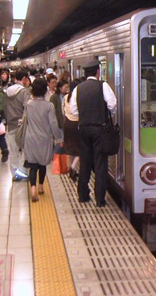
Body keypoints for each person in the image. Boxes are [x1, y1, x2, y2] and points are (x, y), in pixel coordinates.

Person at [70, 62, 117, 207]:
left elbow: (74, 111)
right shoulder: (103, 86)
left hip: (83, 128)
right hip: (100, 129)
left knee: (85, 162)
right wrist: (108, 114)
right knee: (100, 163)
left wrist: (85, 116)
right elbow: (112, 105)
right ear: (98, 72)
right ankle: (100, 199)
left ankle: (83, 195)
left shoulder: (78, 88)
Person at [24, 78, 64, 202]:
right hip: (45, 139)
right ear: (45, 90)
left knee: (32, 165)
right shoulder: (49, 106)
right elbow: (53, 123)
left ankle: (33, 188)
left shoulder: (29, 104)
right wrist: (59, 138)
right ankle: (41, 186)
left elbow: (25, 121)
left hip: (30, 138)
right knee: (42, 164)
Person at [5, 70, 31, 180]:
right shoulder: (24, 92)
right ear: (24, 78)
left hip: (10, 124)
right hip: (22, 125)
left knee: (13, 151)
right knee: (26, 149)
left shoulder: (7, 91)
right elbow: (27, 108)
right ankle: (22, 171)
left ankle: (14, 173)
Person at [63, 79, 81, 182]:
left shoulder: (66, 97)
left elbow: (63, 111)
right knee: (81, 148)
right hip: (77, 124)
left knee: (70, 148)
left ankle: (70, 167)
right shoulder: (78, 97)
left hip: (67, 124)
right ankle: (73, 168)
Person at [49, 80, 68, 153]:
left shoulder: (67, 96)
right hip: (59, 123)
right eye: (65, 87)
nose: (66, 89)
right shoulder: (54, 97)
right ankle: (56, 160)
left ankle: (61, 161)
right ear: (60, 88)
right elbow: (53, 111)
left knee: (64, 143)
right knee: (59, 143)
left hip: (66, 122)